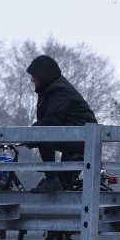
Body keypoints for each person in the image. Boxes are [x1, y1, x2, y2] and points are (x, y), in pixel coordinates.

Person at [26, 55, 98, 193]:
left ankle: (52, 179)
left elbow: (51, 121)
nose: (32, 80)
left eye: (34, 76)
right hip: (77, 136)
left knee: (43, 134)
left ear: (43, 75)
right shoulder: (51, 89)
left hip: (81, 137)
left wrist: (30, 134)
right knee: (65, 185)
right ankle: (59, 182)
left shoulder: (59, 90)